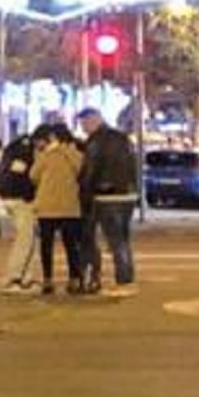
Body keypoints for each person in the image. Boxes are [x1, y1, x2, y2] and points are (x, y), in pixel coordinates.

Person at [77, 107, 138, 291]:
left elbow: (91, 170)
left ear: (93, 120)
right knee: (122, 238)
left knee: (113, 239)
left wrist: (84, 192)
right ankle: (126, 276)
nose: (83, 128)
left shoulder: (96, 141)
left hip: (107, 195)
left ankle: (122, 280)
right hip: (127, 194)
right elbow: (133, 165)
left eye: (84, 124)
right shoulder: (122, 138)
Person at [28, 121, 88, 296]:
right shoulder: (75, 154)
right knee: (71, 245)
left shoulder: (46, 155)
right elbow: (81, 170)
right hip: (70, 207)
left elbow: (33, 175)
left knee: (46, 246)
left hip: (47, 207)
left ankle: (48, 279)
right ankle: (75, 279)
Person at [0, 122, 41, 292]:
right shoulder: (27, 152)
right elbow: (23, 177)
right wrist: (31, 196)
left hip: (9, 196)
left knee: (27, 238)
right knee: (26, 240)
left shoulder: (15, 147)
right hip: (21, 199)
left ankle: (25, 278)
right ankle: (15, 279)